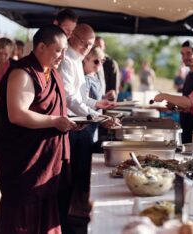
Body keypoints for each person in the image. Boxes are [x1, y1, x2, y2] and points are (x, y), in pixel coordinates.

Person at [0, 25, 77, 233]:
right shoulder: (23, 72)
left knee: (45, 213)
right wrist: (55, 121)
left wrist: (69, 121)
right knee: (21, 218)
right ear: (41, 47)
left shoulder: (50, 73)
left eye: (65, 51)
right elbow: (17, 114)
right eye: (58, 50)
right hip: (25, 161)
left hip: (46, 161)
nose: (62, 57)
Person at [58, 24, 116, 230]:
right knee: (67, 179)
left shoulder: (77, 60)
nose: (87, 47)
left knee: (74, 178)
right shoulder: (66, 60)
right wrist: (98, 117)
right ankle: (63, 223)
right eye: (84, 42)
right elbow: (70, 99)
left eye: (90, 44)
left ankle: (68, 219)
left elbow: (81, 98)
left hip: (80, 123)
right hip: (70, 128)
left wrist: (97, 105)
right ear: (73, 36)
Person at [179, 39, 193, 144]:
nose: (185, 57)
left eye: (188, 53)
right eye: (182, 54)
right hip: (186, 126)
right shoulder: (189, 74)